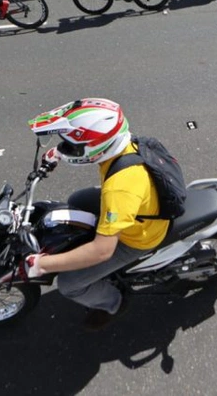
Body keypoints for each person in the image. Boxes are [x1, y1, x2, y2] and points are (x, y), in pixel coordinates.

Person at [20, 98, 169, 331]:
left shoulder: (120, 188)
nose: (67, 148)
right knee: (77, 200)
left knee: (69, 284)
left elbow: (102, 250)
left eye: (71, 146)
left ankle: (114, 303)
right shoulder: (122, 141)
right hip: (137, 202)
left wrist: (42, 264)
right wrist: (59, 153)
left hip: (139, 237)